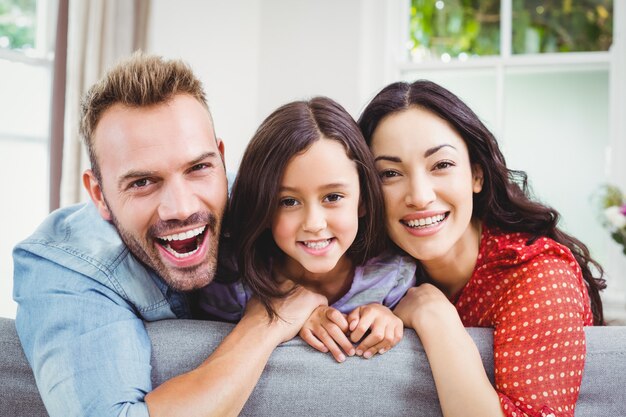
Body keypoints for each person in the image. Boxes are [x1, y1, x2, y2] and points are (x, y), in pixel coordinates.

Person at [12, 53, 326, 417]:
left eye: (198, 167)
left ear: (221, 160)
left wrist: (408, 304)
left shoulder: (270, 207)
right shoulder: (64, 263)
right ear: (99, 194)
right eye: (143, 182)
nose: (180, 208)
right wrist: (265, 322)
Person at [358, 80, 606, 417]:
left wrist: (433, 314)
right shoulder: (370, 271)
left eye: (441, 165)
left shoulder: (539, 273)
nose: (419, 195)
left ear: (477, 174)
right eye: (389, 173)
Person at [199, 97, 415, 362]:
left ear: (363, 201)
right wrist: (289, 316)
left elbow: (408, 317)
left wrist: (388, 319)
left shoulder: (393, 276)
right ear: (263, 208)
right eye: (288, 202)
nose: (314, 223)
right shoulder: (231, 282)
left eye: (333, 197)